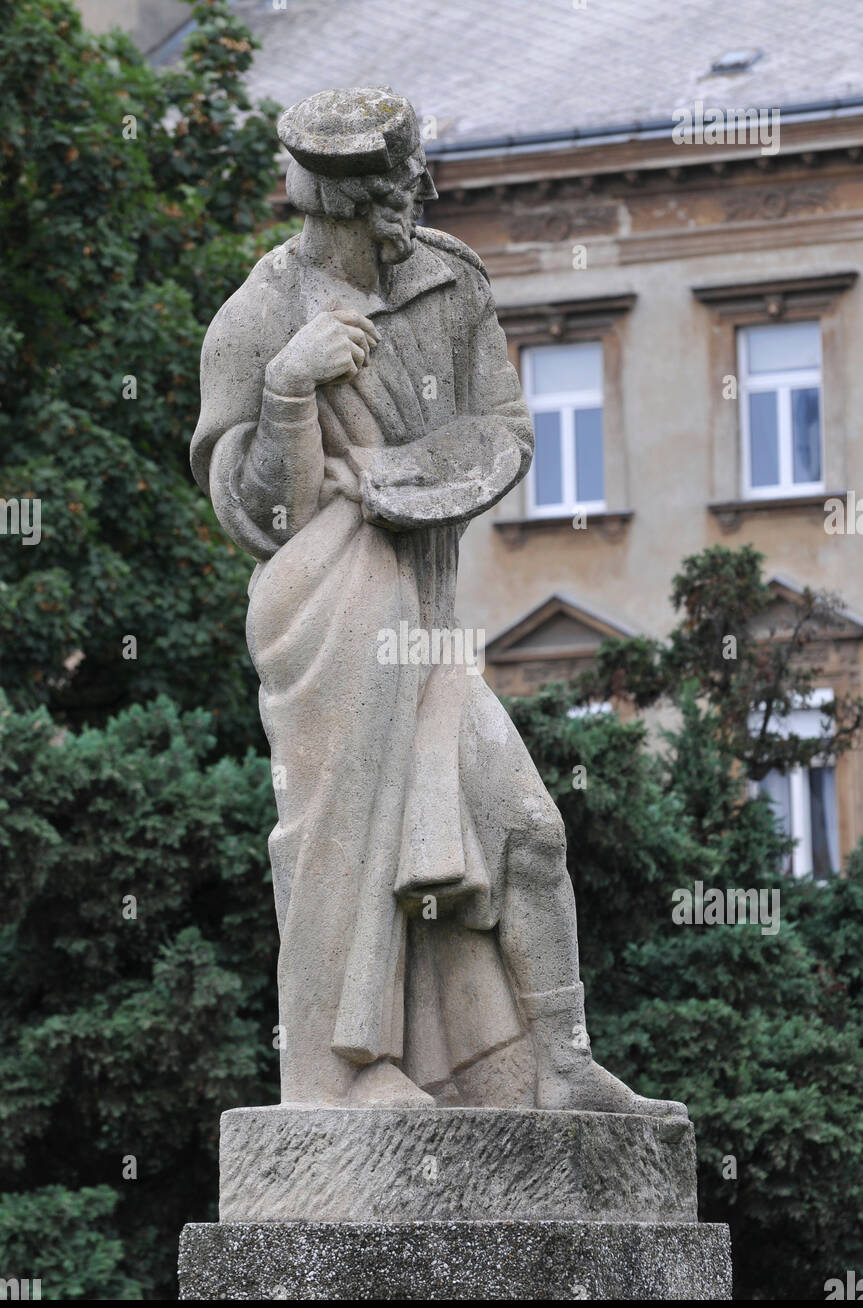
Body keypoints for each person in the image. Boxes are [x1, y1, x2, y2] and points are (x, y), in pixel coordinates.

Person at [191, 86, 686, 1118]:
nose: (408, 201)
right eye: (387, 187)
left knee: (525, 825)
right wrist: (289, 389)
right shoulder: (258, 318)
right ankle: (339, 1069)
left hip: (424, 607)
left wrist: (427, 475)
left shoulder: (452, 285)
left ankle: (558, 1065)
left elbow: (505, 425)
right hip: (326, 603)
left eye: (410, 181)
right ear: (332, 197)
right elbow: (253, 516)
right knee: (340, 836)